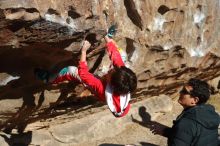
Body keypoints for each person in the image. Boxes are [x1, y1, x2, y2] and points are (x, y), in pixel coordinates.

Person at [35, 30, 137, 118]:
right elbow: (116, 58)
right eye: (114, 69)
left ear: (111, 83)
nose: (111, 70)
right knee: (121, 55)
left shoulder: (101, 88)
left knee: (71, 71)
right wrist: (107, 38)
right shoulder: (123, 77)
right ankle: (111, 40)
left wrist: (84, 51)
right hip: (119, 97)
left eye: (111, 73)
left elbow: (83, 73)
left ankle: (49, 78)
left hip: (104, 91)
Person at [150, 78, 220, 146]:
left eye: (184, 91)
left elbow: (186, 130)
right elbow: (191, 136)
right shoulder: (207, 113)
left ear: (195, 100)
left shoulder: (187, 122)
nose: (180, 92)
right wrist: (166, 131)